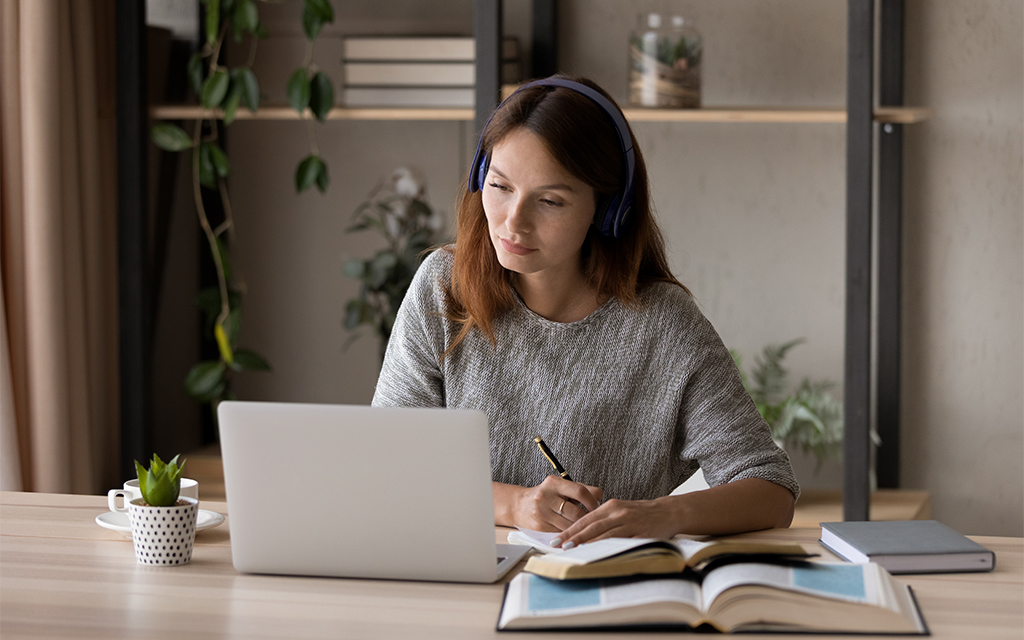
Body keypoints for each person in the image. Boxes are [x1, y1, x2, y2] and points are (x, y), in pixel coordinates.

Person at [372, 75, 798, 549]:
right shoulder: (442, 288)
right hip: (458, 579)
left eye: (550, 201)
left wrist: (664, 514)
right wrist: (515, 505)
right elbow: (389, 466)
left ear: (607, 208)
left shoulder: (663, 324)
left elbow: (771, 488)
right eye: (500, 186)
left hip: (604, 592)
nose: (514, 221)